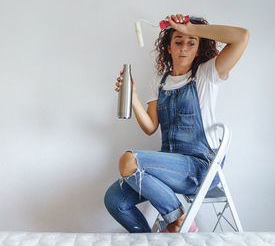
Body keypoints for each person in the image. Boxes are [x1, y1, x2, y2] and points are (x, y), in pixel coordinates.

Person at [104, 13, 249, 233]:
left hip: (200, 167)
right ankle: (150, 239)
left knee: (128, 160)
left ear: (199, 49)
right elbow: (150, 127)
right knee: (114, 199)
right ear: (169, 48)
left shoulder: (206, 74)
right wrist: (132, 96)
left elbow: (242, 36)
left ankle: (179, 221)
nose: (184, 47)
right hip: (169, 167)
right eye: (178, 42)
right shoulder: (159, 82)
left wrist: (192, 29)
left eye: (191, 43)